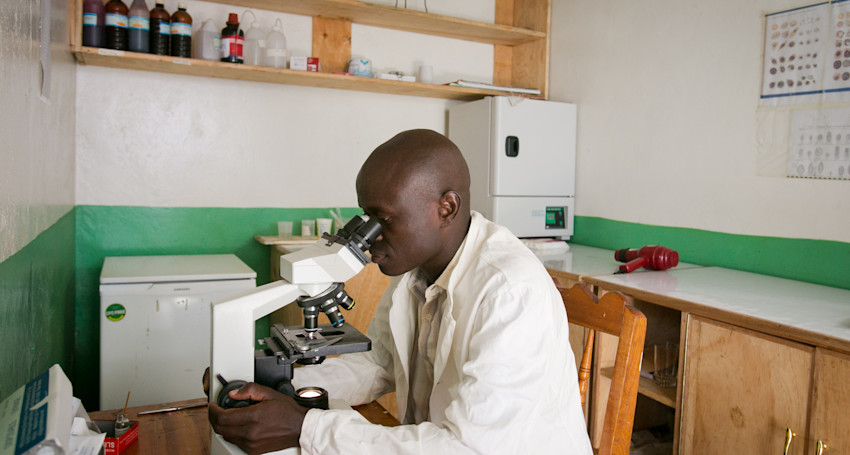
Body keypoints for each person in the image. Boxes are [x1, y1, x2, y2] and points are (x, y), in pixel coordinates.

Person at [208, 129, 592, 454]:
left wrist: (305, 428)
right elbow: (380, 363)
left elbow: (465, 448)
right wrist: (277, 387)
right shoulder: (416, 270)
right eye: (366, 217)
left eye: (384, 219)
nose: (370, 236)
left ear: (446, 208)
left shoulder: (509, 293)